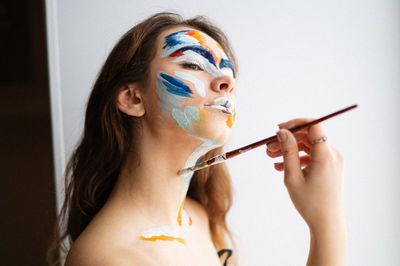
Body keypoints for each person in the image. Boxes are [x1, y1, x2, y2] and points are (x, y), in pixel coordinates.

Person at [47, 12, 346, 266]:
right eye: (192, 65)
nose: (227, 84)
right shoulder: (108, 257)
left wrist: (326, 217)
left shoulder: (199, 216)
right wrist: (326, 222)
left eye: (228, 75)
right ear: (133, 98)